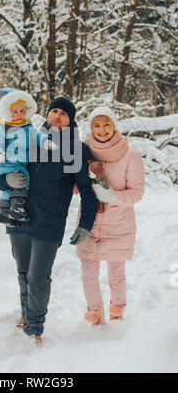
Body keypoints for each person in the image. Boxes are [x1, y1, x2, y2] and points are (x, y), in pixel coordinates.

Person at [0, 96, 99, 344]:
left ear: (70, 120)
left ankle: (34, 327)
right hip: (18, 215)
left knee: (38, 277)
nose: (57, 116)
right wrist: (6, 181)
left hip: (49, 221)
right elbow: (3, 173)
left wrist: (85, 224)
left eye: (64, 114)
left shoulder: (75, 149)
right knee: (23, 273)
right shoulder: (28, 138)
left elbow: (88, 192)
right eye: (54, 111)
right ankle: (25, 315)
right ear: (47, 114)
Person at [73, 106, 145, 325]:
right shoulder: (84, 153)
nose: (102, 129)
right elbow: (75, 187)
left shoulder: (130, 155)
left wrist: (113, 197)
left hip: (118, 224)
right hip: (89, 222)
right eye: (97, 124)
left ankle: (117, 309)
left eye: (106, 124)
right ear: (91, 127)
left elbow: (137, 193)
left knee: (115, 271)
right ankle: (94, 312)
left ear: (114, 126)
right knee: (88, 272)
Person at [0, 88, 55, 226]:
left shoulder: (25, 125)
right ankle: (17, 207)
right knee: (23, 181)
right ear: (6, 110)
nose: (19, 114)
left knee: (9, 188)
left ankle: (4, 212)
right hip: (6, 162)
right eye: (15, 111)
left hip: (18, 163)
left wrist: (45, 141)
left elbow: (36, 134)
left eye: (22, 111)